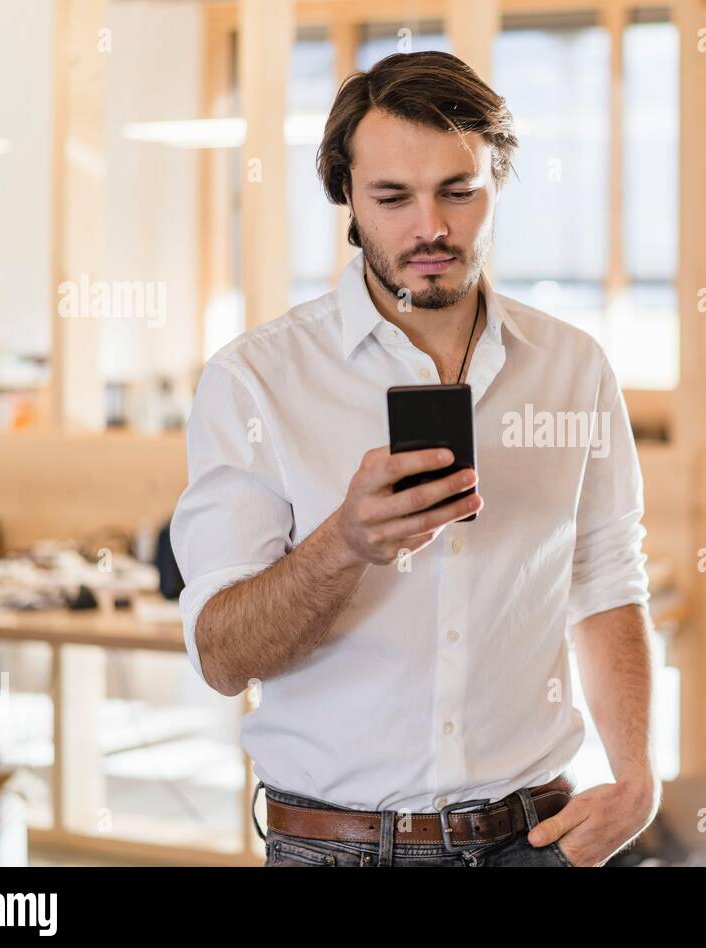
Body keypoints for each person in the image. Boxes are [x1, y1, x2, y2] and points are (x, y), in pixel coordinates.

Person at [171, 51, 659, 867]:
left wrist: (639, 777)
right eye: (392, 198)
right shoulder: (254, 381)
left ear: (497, 184)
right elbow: (222, 657)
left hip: (534, 840)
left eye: (458, 192)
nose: (430, 227)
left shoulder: (573, 367)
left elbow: (607, 578)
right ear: (348, 202)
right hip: (336, 850)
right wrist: (344, 544)